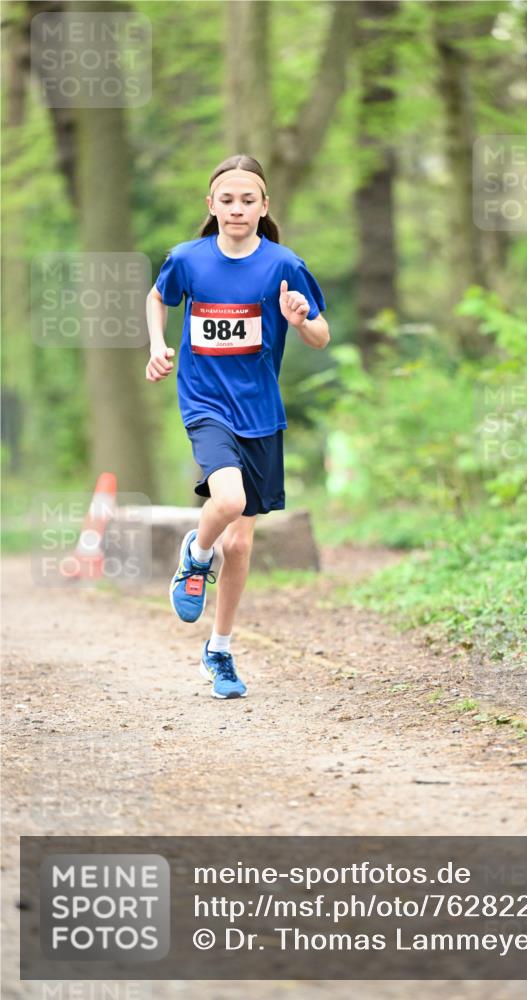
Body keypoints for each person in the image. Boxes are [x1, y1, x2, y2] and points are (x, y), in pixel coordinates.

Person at [145, 154, 329, 699]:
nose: (237, 208)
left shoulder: (283, 265)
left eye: (248, 200)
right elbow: (157, 297)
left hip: (260, 412)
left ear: (264, 206)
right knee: (228, 500)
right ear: (212, 205)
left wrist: (301, 320)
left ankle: (219, 650)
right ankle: (196, 554)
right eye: (227, 199)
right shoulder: (188, 259)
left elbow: (321, 335)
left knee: (243, 544)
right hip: (205, 404)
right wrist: (157, 346)